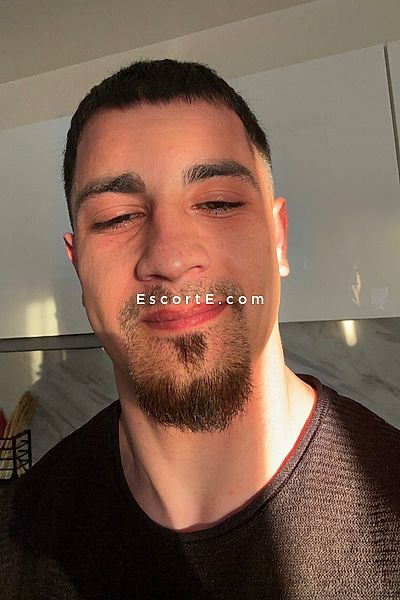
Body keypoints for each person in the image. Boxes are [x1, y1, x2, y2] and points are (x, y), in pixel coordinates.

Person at [1, 59, 399, 599]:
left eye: (218, 203)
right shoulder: (19, 540)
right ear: (78, 267)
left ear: (278, 239)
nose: (169, 257)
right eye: (117, 217)